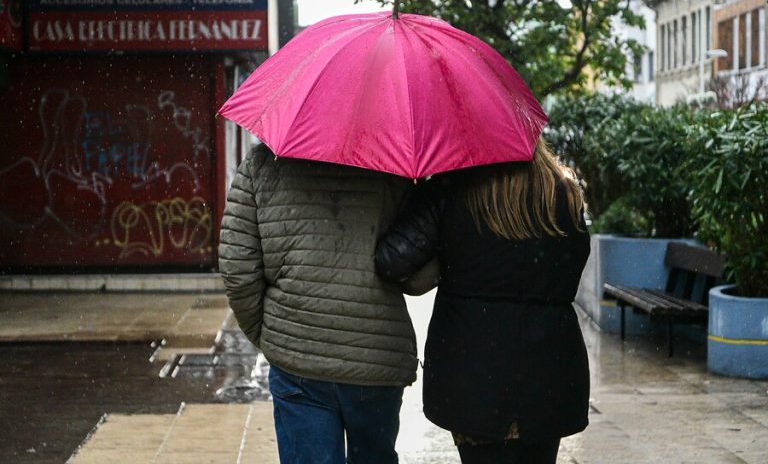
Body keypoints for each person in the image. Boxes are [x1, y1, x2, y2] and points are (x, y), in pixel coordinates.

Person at [374, 140, 591, 464]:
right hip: (550, 369)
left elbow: (393, 261)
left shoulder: (452, 188)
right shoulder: (562, 193)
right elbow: (573, 263)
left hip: (473, 371)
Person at [218, 143, 433, 464]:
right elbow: (418, 277)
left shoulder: (263, 163)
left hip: (298, 360)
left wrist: (268, 335)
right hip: (374, 358)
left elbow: (237, 265)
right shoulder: (397, 166)